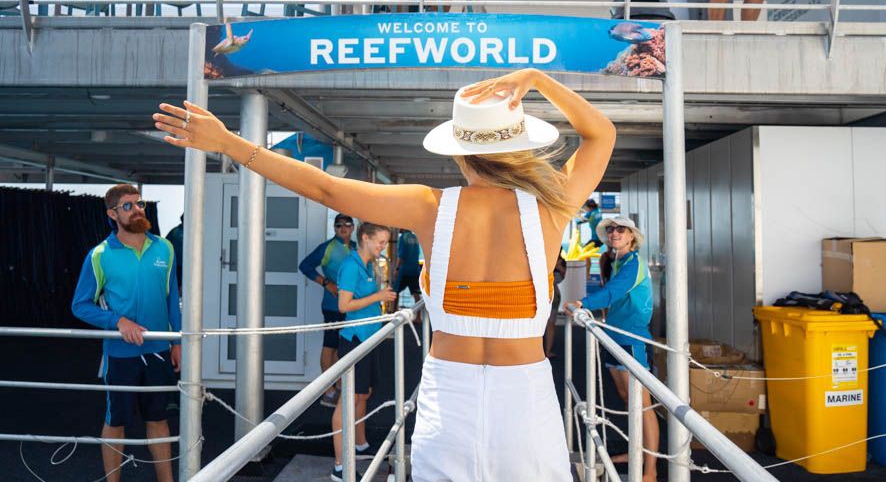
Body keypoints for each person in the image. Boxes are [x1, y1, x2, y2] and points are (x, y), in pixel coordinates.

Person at [153, 66, 616, 481]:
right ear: (517, 145)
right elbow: (601, 135)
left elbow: (325, 188)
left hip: (449, 400)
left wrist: (229, 143)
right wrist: (536, 78)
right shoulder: (551, 206)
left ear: (460, 153)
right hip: (525, 402)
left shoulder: (429, 207)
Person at [71, 184, 182, 482]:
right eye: (128, 206)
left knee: (159, 419)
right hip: (120, 354)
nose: (137, 210)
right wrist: (118, 321)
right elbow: (80, 305)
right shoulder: (99, 255)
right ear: (112, 214)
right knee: (116, 421)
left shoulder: (165, 248)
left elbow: (172, 299)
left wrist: (177, 342)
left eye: (140, 204)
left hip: (158, 350)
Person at [563, 217, 658, 482]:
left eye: (621, 229)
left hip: (632, 338)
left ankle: (650, 470)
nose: (614, 233)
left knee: (642, 404)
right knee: (626, 398)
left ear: (631, 236)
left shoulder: (634, 263)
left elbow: (613, 293)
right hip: (614, 335)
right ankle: (636, 452)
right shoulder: (616, 261)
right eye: (610, 229)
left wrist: (581, 303)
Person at [330, 222, 397, 481]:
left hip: (368, 340)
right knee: (348, 400)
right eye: (380, 242)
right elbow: (343, 305)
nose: (383, 246)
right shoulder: (351, 266)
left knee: (363, 394)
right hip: (354, 341)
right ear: (365, 238)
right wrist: (378, 296)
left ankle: (359, 445)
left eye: (385, 242)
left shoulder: (368, 264)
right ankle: (339, 467)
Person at [299, 213, 357, 408]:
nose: (343, 228)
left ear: (353, 228)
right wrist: (325, 282)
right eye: (338, 225)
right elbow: (305, 266)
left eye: (347, 224)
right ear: (334, 228)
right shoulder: (327, 247)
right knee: (330, 346)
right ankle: (328, 390)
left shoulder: (356, 247)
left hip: (352, 306)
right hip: (332, 306)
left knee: (344, 347)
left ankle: (339, 385)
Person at [544, 254, 567, 358]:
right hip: (545, 294)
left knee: (550, 323)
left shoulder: (560, 261)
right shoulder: (544, 258)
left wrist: (558, 265)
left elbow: (564, 276)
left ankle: (548, 351)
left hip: (553, 296)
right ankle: (544, 351)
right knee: (548, 323)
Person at [393, 228, 423, 308]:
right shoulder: (415, 237)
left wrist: (397, 269)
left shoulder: (403, 237)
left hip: (404, 270)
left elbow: (401, 256)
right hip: (415, 270)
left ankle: (393, 311)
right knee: (416, 293)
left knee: (394, 292)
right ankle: (418, 315)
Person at [165, 214, 184, 292]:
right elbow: (165, 245)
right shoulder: (175, 231)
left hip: (183, 264)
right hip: (177, 263)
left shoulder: (174, 231)